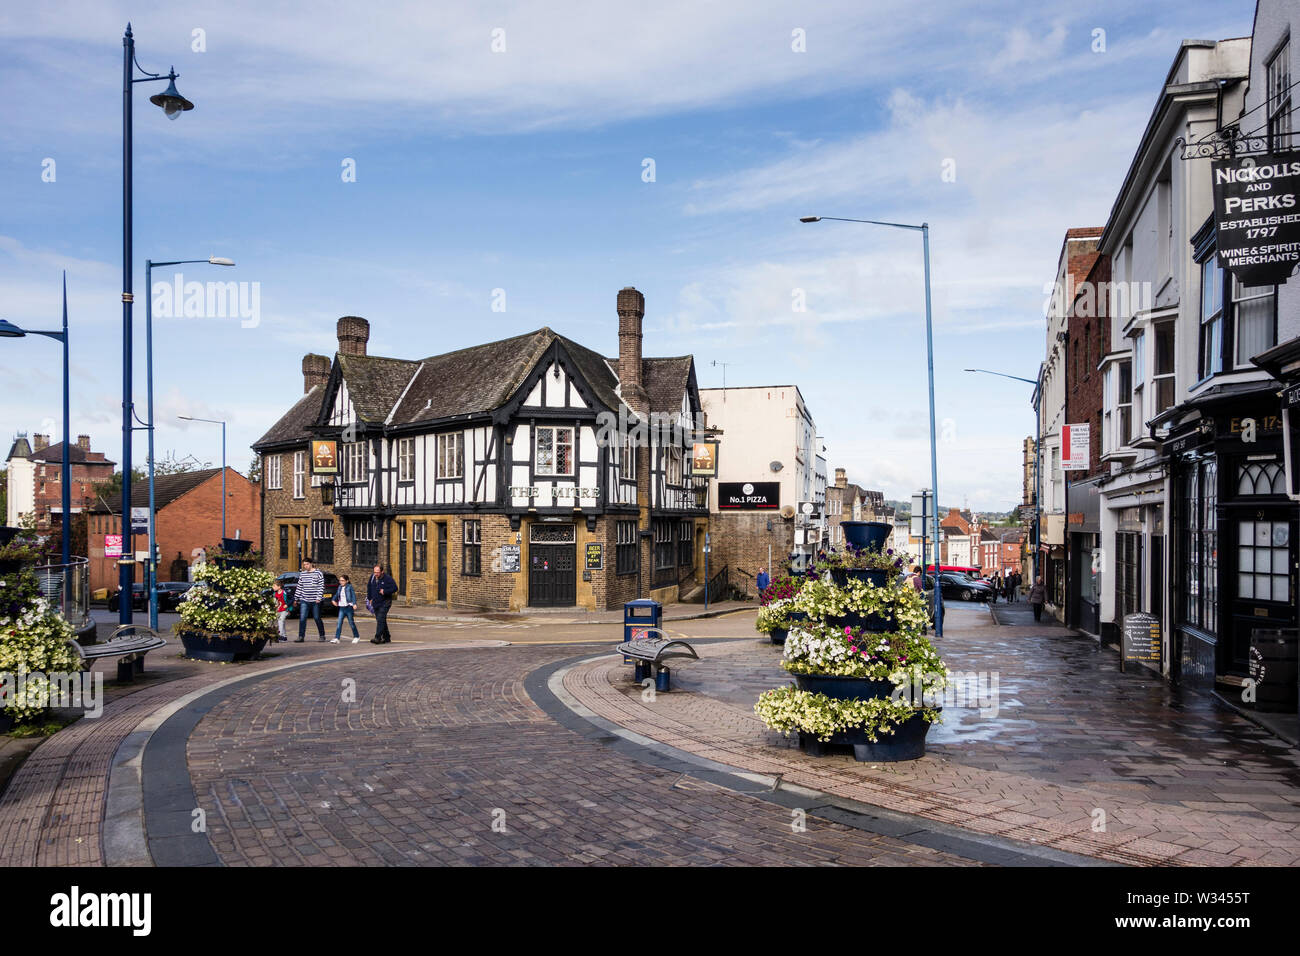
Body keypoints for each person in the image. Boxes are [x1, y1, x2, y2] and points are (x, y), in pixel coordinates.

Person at [295, 559, 327, 642]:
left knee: (317, 618)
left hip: (315, 601)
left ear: (311, 564)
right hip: (304, 600)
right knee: (302, 618)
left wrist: (318, 598)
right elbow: (299, 586)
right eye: (304, 565)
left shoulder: (318, 573)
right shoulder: (302, 574)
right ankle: (301, 636)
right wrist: (296, 598)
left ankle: (322, 635)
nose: (305, 566)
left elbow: (321, 586)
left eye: (307, 564)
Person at [367, 564, 398, 644]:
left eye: (377, 572)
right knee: (381, 620)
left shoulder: (388, 579)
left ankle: (377, 638)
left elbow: (395, 588)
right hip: (375, 603)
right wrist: (370, 598)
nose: (376, 574)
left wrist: (385, 591)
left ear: (382, 572)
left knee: (380, 619)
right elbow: (369, 587)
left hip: (385, 602)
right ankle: (387, 637)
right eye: (374, 572)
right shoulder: (372, 577)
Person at [332, 574, 360, 644]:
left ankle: (356, 636)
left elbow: (353, 595)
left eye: (342, 581)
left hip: (349, 607)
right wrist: (333, 600)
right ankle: (337, 638)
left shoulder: (349, 587)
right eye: (340, 581)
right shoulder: (339, 587)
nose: (341, 582)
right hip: (341, 607)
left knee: (351, 623)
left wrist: (354, 604)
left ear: (347, 581)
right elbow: (336, 595)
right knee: (339, 623)